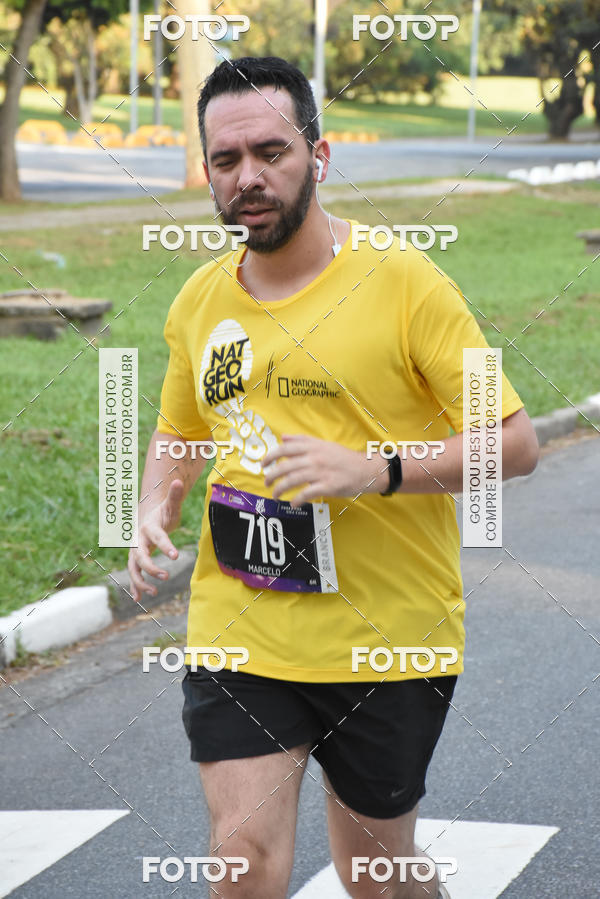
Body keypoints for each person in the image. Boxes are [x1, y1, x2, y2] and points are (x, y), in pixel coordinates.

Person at [128, 56, 539, 899]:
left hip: (388, 636)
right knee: (242, 863)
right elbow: (180, 428)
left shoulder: (405, 282)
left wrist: (373, 469)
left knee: (376, 877)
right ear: (205, 170)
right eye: (225, 160)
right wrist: (149, 504)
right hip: (241, 629)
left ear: (319, 154)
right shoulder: (201, 301)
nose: (249, 177)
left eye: (271, 152)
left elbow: (517, 443)